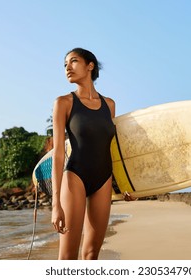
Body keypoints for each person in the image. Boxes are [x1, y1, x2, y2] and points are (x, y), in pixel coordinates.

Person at [51, 48, 116, 260]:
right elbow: (59, 154)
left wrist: (126, 186)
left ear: (90, 66)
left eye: (73, 61)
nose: (67, 68)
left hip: (103, 178)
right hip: (75, 177)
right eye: (65, 65)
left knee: (91, 254)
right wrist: (56, 205)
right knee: (68, 256)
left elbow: (112, 148)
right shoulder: (64, 103)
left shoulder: (109, 105)